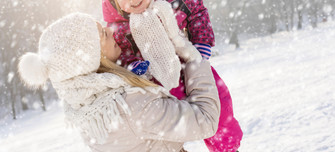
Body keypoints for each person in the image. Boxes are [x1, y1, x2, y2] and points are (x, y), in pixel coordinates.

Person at [98, 0, 243, 152]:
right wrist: (134, 67)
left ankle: (227, 147)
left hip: (190, 65)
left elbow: (197, 9)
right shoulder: (118, 27)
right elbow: (120, 55)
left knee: (218, 103)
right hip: (156, 82)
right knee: (172, 124)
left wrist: (201, 43)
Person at [17, 12, 220, 152]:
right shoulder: (129, 106)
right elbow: (206, 120)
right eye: (103, 34)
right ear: (92, 58)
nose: (111, 32)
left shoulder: (82, 104)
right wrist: (194, 59)